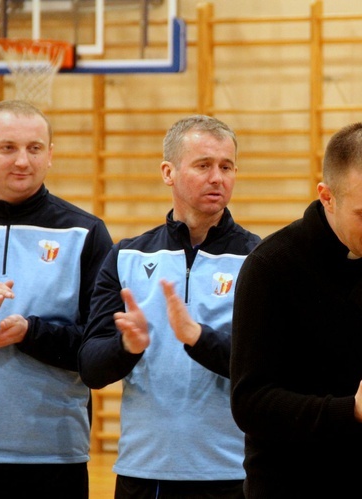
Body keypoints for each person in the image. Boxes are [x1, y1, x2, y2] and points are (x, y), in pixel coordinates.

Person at [230, 121, 362, 498]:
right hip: (291, 484)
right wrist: (350, 409)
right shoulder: (270, 267)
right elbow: (249, 404)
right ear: (327, 197)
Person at [78, 115, 259, 499]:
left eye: (226, 167)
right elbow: (91, 367)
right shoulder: (125, 256)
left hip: (232, 474)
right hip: (144, 472)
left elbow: (269, 365)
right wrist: (127, 347)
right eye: (203, 165)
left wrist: (198, 338)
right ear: (168, 172)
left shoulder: (261, 259)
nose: (217, 178)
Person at [0, 100, 113, 498]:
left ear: (50, 155)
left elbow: (97, 350)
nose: (22, 161)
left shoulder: (86, 233)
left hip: (54, 456)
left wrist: (30, 332)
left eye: (35, 148)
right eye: (7, 147)